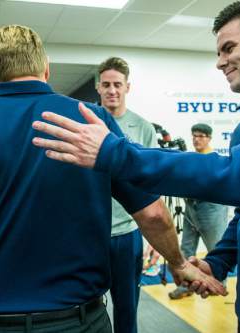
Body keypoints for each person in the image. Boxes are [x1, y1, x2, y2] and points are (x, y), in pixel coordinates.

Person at [31, 0, 240, 331]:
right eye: (218, 52)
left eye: (228, 48)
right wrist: (218, 261)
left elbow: (237, 178)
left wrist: (114, 153)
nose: (220, 61)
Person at [0, 25, 224, 333]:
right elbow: (151, 213)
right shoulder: (91, 121)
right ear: (46, 69)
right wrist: (178, 264)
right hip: (78, 322)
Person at [96, 56, 157, 333]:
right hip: (90, 233)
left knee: (126, 308)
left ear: (127, 87)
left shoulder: (143, 128)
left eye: (117, 84)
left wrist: (154, 237)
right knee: (87, 308)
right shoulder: (84, 121)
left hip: (127, 233)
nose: (112, 90)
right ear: (98, 87)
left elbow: (152, 183)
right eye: (106, 84)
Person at [168, 124, 229, 300]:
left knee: (215, 247)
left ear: (209, 138)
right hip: (191, 207)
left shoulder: (215, 159)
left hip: (211, 208)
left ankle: (220, 283)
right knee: (186, 247)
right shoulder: (192, 157)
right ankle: (184, 285)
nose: (196, 139)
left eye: (201, 136)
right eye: (194, 135)